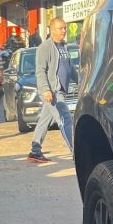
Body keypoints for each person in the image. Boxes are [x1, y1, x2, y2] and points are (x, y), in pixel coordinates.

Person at [27, 17, 76, 163]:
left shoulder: (63, 46)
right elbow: (40, 71)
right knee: (65, 119)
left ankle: (35, 151)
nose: (64, 31)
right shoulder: (45, 48)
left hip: (59, 90)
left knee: (44, 120)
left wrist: (82, 82)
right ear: (52, 30)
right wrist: (46, 90)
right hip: (52, 91)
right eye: (60, 28)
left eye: (65, 28)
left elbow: (70, 68)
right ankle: (76, 151)